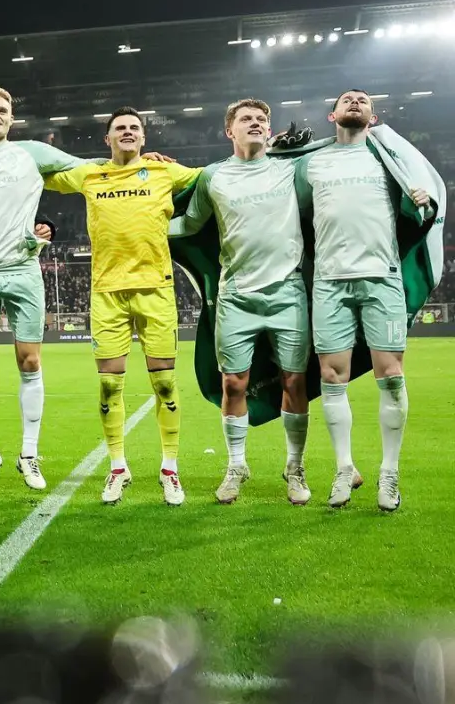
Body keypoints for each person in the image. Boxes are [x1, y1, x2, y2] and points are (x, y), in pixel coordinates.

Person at [44, 108, 202, 505]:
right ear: (107, 139)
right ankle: (118, 468)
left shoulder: (165, 172)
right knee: (109, 384)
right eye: (120, 129)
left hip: (156, 288)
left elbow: (214, 177)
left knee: (164, 382)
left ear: (144, 139)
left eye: (134, 128)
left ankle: (170, 469)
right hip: (106, 292)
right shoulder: (90, 175)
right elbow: (38, 174)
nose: (128, 132)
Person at [297, 90, 438, 510]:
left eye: (363, 100)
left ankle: (389, 474)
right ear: (332, 114)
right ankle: (343, 468)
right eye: (347, 99)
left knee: (391, 375)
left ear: (373, 117)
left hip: (382, 278)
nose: (356, 102)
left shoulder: (388, 159)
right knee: (331, 378)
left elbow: (423, 213)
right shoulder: (312, 162)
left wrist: (424, 206)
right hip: (330, 282)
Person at [171, 100, 313, 505]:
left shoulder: (289, 167)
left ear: (270, 132)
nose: (256, 123)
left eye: (262, 120)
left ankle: (295, 466)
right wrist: (144, 223)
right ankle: (236, 466)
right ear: (228, 131)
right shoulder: (213, 177)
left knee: (295, 381)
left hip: (288, 294)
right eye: (246, 119)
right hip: (236, 296)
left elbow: (331, 157)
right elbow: (191, 223)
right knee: (233, 383)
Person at [0, 88, 85, 493]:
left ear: (11, 119)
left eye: (2, 111)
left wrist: (132, 162)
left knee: (29, 362)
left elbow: (84, 168)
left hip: (23, 270)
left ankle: (29, 454)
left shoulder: (31, 153)